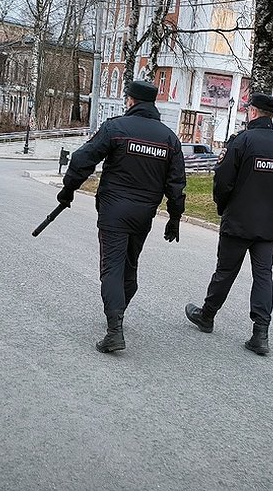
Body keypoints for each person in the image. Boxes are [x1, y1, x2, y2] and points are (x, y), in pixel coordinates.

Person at [58, 80, 186, 353]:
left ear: (130, 101)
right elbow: (176, 185)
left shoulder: (116, 128)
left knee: (112, 268)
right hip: (144, 214)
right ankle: (117, 313)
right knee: (130, 264)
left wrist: (68, 190)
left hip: (113, 210)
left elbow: (82, 159)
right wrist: (174, 218)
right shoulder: (169, 139)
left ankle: (114, 329)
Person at [185, 93, 273, 355]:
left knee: (225, 271)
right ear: (271, 114)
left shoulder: (242, 141)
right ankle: (260, 333)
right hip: (269, 224)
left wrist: (222, 206)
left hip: (238, 221)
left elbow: (223, 180)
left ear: (253, 112)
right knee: (263, 276)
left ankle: (207, 315)